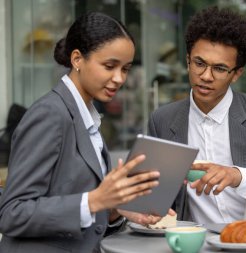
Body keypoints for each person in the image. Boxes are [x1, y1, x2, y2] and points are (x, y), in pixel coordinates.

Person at [0, 12, 166, 253]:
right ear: (77, 59)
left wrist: (114, 208)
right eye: (109, 66)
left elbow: (75, 201)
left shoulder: (86, 117)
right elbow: (12, 213)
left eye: (126, 68)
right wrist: (95, 200)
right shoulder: (50, 115)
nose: (119, 78)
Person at [148, 6, 246, 224]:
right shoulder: (162, 119)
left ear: (237, 74)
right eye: (199, 63)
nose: (206, 76)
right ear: (188, 60)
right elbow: (157, 199)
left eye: (219, 69)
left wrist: (238, 176)